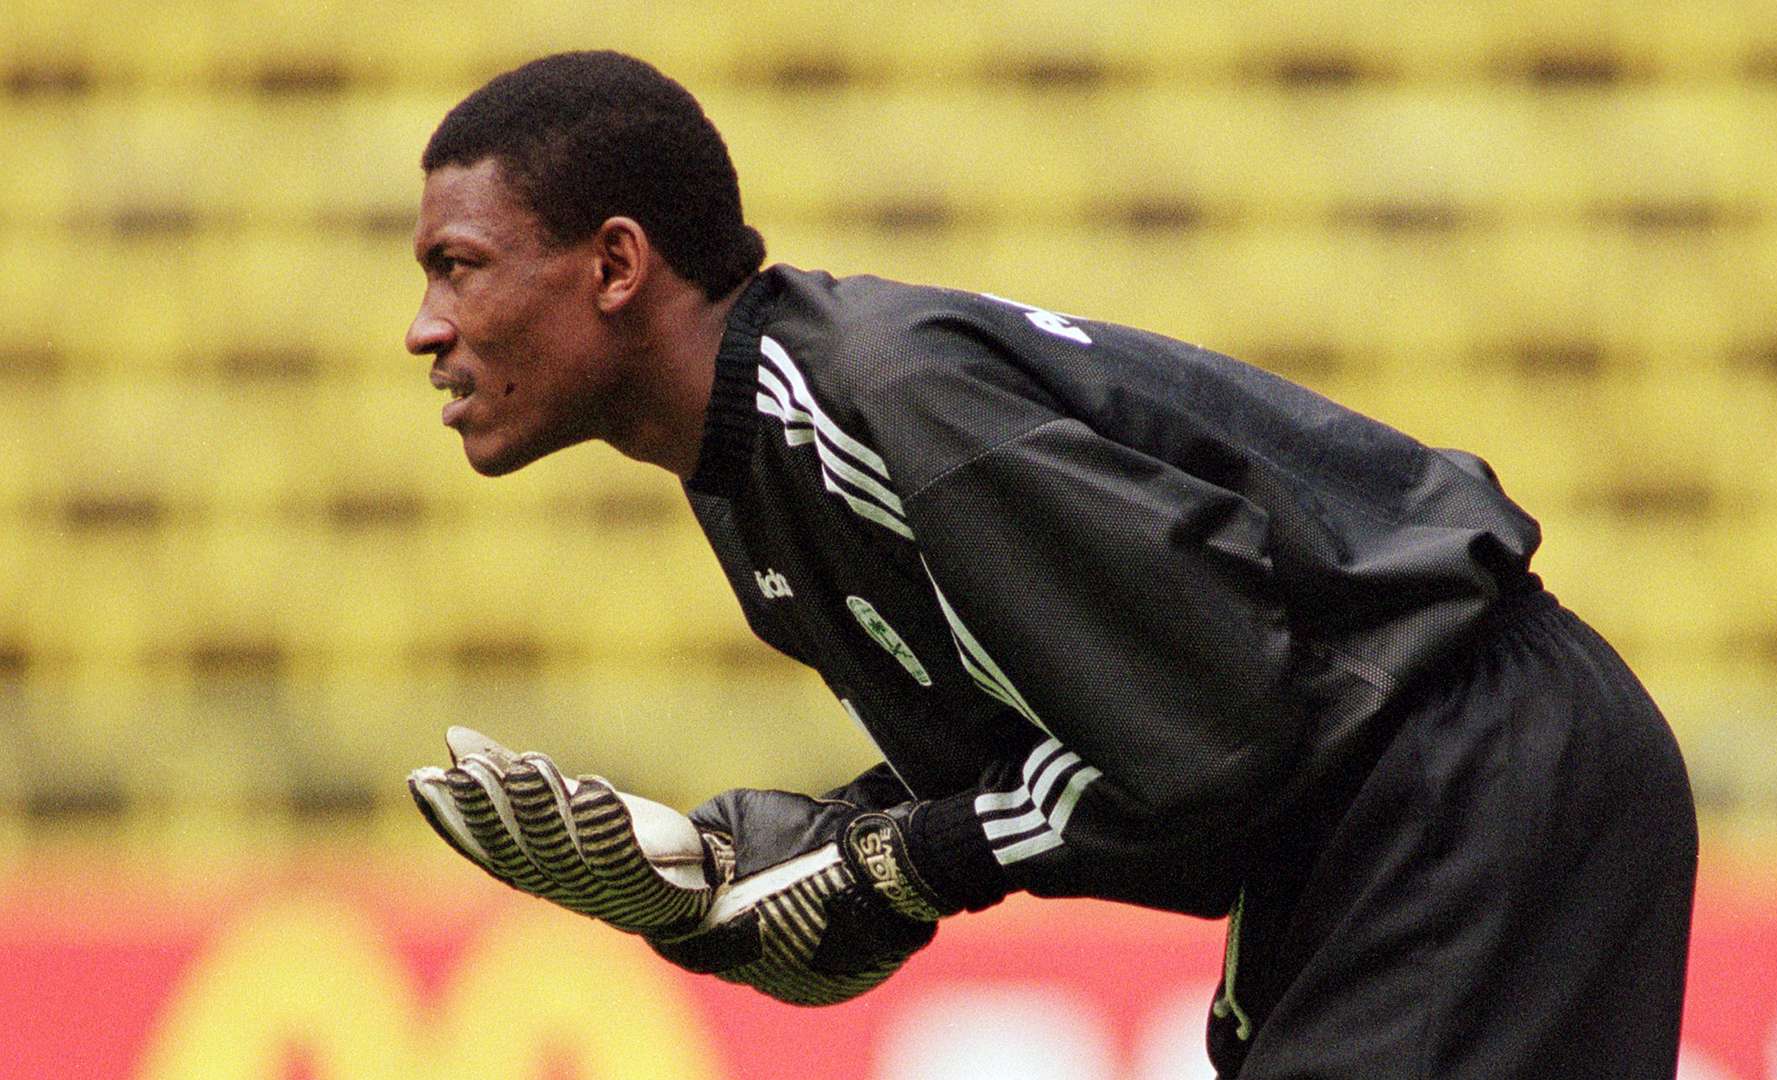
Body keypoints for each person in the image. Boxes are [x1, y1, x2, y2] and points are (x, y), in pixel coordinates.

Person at [403, 50, 1697, 1079]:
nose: (426, 328)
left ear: (617, 265)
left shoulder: (879, 404)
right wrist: (750, 877)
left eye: (457, 267)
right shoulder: (754, 468)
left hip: (1459, 757)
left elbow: (1208, 730)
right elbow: (1132, 783)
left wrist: (900, 860)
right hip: (1374, 788)